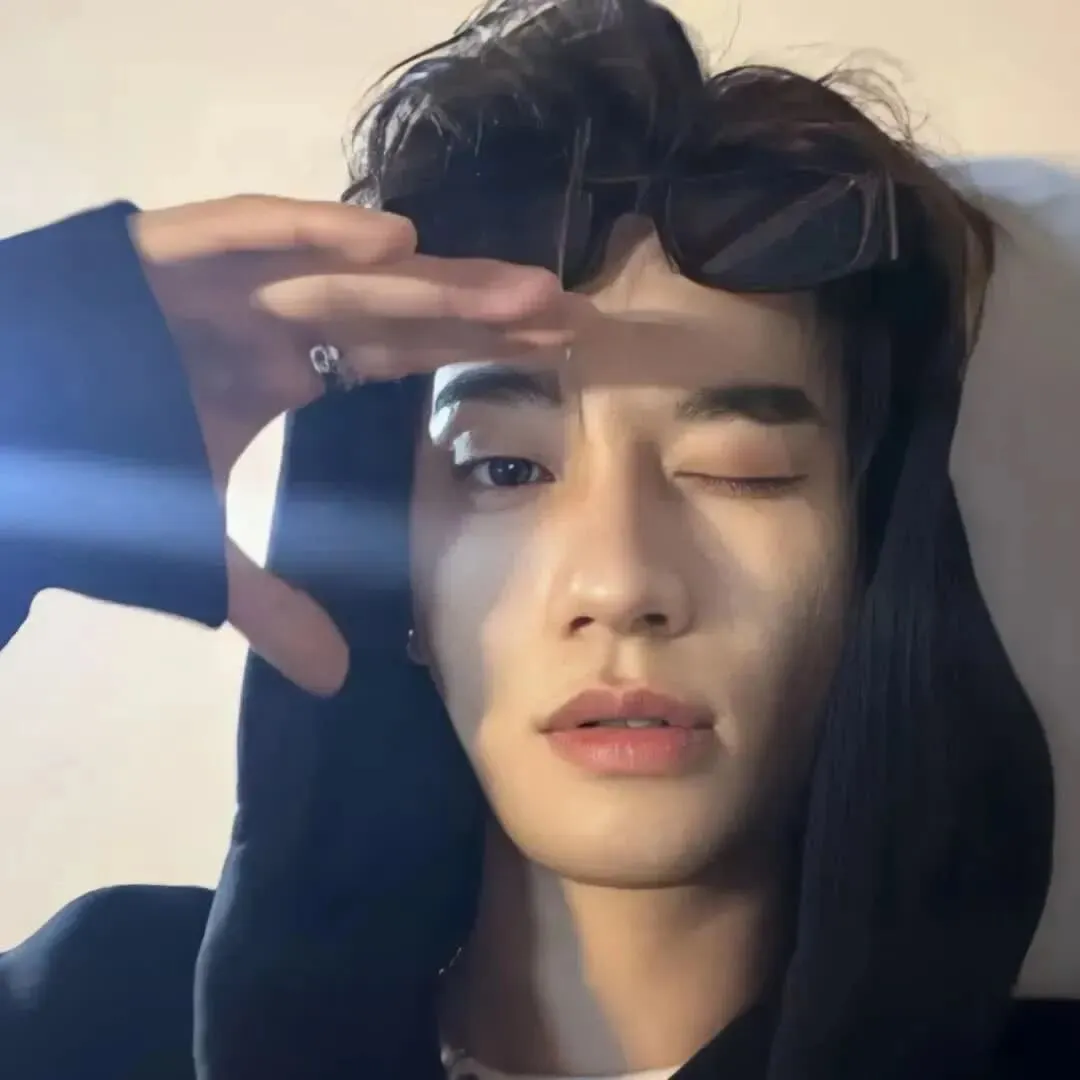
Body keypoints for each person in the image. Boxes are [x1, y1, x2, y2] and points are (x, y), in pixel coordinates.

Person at [0, 1, 1076, 1078]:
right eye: (505, 470)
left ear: (868, 560)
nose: (619, 581)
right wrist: (30, 388)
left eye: (741, 470)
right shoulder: (94, 1018)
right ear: (400, 575)